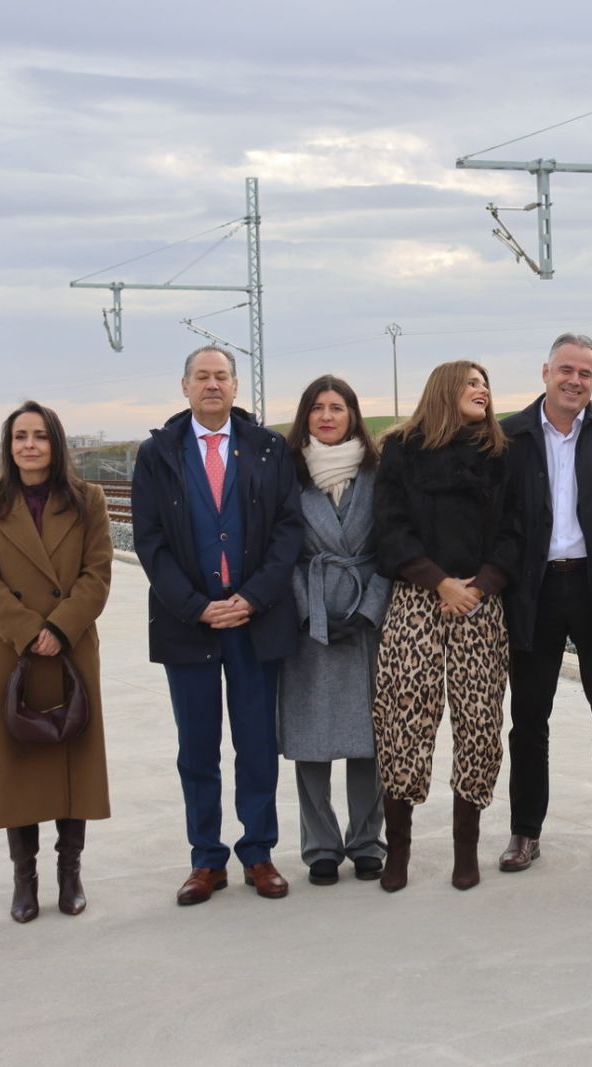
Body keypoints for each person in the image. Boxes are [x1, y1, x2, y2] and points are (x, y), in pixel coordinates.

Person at [132, 346, 305, 905]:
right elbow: (149, 540)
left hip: (255, 622)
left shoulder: (268, 448)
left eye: (221, 376)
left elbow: (288, 531)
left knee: (256, 744)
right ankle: (206, 860)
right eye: (201, 377)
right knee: (197, 748)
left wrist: (252, 597)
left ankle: (258, 853)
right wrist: (194, 605)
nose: (212, 385)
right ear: (184, 387)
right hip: (190, 625)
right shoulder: (157, 454)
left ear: (235, 387)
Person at [499, 333, 592, 873]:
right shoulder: (510, 435)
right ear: (545, 372)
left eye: (585, 373)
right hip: (532, 593)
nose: (575, 380)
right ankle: (524, 833)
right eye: (566, 369)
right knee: (528, 720)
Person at [371, 360, 522, 892]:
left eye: (486, 383)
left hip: (481, 603)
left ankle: (466, 850)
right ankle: (399, 853)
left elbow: (513, 531)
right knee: (403, 717)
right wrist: (439, 582)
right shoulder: (402, 449)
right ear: (444, 389)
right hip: (417, 597)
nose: (482, 390)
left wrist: (478, 586)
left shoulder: (501, 454)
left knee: (479, 722)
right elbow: (388, 527)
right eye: (471, 382)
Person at [0, 401, 113, 923]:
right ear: (8, 446)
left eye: (40, 436)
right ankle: (23, 879)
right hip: (13, 651)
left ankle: (69, 873)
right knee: (17, 765)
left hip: (70, 650)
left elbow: (97, 574)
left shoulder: (88, 500)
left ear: (56, 443)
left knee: (74, 755)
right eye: (19, 436)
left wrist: (58, 628)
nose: (29, 445)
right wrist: (30, 632)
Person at [278, 375, 391, 887]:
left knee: (370, 738)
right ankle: (320, 846)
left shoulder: (378, 473)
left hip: (368, 622)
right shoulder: (287, 474)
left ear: (353, 415)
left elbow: (392, 548)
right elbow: (279, 550)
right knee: (311, 739)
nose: (327, 416)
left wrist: (368, 609)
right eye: (318, 408)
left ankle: (367, 841)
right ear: (305, 416)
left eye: (337, 407)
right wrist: (310, 609)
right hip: (310, 625)